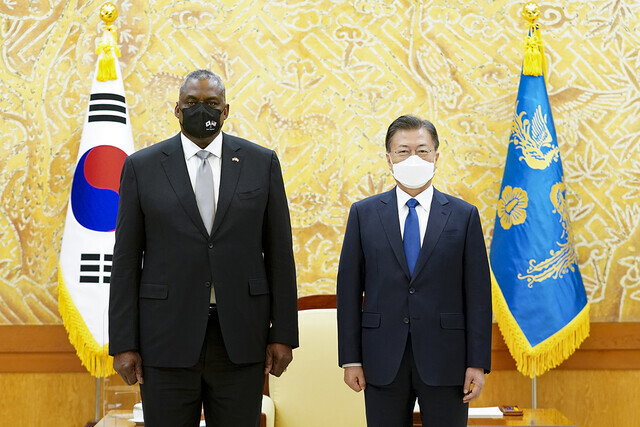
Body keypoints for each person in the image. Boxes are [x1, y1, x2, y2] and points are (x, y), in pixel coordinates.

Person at [108, 70, 298, 427]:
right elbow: (127, 261)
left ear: (226, 111)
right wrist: (123, 343)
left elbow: (279, 256)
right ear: (176, 110)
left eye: (211, 103)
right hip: (164, 339)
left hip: (240, 338)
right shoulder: (142, 167)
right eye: (191, 103)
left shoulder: (261, 163)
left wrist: (283, 334)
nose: (202, 110)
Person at [336, 115, 492, 426]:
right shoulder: (363, 214)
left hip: (447, 360)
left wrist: (477, 362)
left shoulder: (464, 216)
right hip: (382, 359)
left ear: (436, 156)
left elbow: (477, 295)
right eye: (403, 151)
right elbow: (349, 291)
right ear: (389, 159)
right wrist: (350, 359)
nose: (413, 158)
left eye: (422, 150)